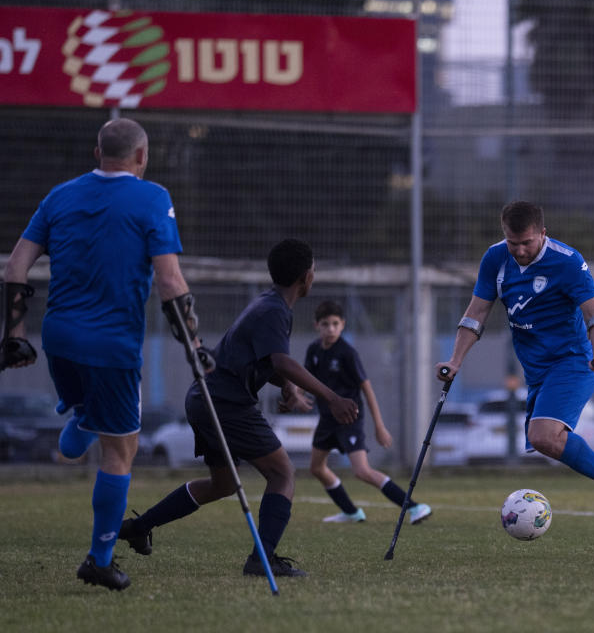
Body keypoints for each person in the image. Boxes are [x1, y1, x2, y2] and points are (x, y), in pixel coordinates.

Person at [1, 118, 200, 591]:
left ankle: (81, 419)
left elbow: (15, 266)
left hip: (59, 341)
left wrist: (14, 333)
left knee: (92, 422)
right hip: (112, 348)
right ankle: (99, 558)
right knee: (122, 449)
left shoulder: (59, 196)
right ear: (142, 157)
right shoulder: (153, 197)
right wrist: (193, 340)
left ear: (97, 154)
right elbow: (170, 282)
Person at [117, 239, 359, 578]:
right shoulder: (275, 310)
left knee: (223, 484)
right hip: (225, 403)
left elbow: (267, 361)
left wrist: (288, 388)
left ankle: (139, 526)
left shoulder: (267, 303)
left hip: (204, 399)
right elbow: (281, 361)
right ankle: (263, 559)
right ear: (306, 277)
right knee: (282, 474)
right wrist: (331, 398)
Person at [435, 200, 594, 523]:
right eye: (513, 242)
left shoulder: (568, 262)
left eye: (527, 243)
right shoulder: (495, 258)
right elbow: (476, 313)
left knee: (543, 436)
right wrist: (455, 361)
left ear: (543, 234)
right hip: (535, 369)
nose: (519, 250)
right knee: (546, 442)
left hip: (574, 362)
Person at [304, 301, 432, 524]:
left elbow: (367, 388)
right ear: (317, 326)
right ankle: (352, 513)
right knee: (316, 468)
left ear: (343, 325)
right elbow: (305, 378)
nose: (331, 329)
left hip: (349, 419)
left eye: (335, 324)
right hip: (327, 420)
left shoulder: (347, 353)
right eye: (326, 324)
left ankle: (415, 507)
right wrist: (295, 394)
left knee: (362, 471)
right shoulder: (314, 351)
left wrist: (379, 426)